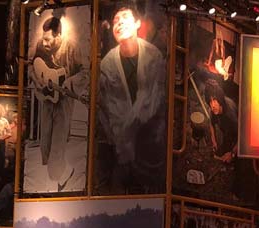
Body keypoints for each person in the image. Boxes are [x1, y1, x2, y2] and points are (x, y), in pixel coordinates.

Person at [97, 2, 166, 191]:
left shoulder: (154, 57)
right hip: (120, 149)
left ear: (137, 23)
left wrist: (128, 130)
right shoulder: (107, 64)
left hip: (150, 144)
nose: (119, 23)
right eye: (115, 21)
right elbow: (108, 109)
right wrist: (119, 140)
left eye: (124, 18)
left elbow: (152, 102)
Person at [30, 15, 87, 190]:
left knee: (57, 144)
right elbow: (33, 66)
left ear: (58, 35)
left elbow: (86, 72)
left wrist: (70, 82)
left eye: (48, 39)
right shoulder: (41, 46)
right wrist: (37, 80)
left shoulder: (72, 48)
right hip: (47, 98)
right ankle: (66, 172)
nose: (44, 43)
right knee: (45, 143)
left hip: (64, 100)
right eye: (43, 39)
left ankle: (56, 183)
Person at [202, 78, 237, 164]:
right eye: (210, 101)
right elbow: (211, 122)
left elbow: (243, 136)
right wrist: (213, 140)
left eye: (214, 100)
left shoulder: (230, 114)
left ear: (220, 98)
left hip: (235, 132)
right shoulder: (213, 110)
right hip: (225, 129)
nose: (212, 105)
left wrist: (232, 154)